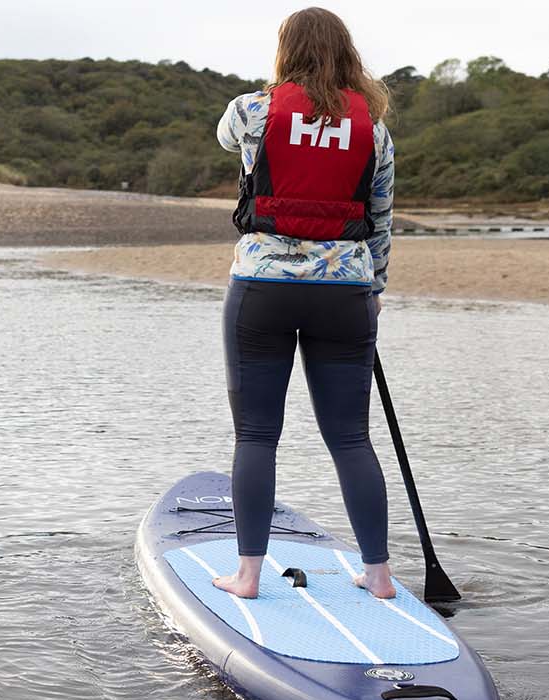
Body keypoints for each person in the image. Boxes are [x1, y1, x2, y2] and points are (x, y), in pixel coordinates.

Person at [208, 7, 400, 600]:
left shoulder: (251, 110)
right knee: (350, 438)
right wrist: (374, 291)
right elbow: (380, 220)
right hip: (345, 292)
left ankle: (247, 576)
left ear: (285, 51)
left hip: (262, 288)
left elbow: (223, 140)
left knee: (256, 436)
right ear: (348, 55)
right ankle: (380, 576)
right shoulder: (375, 129)